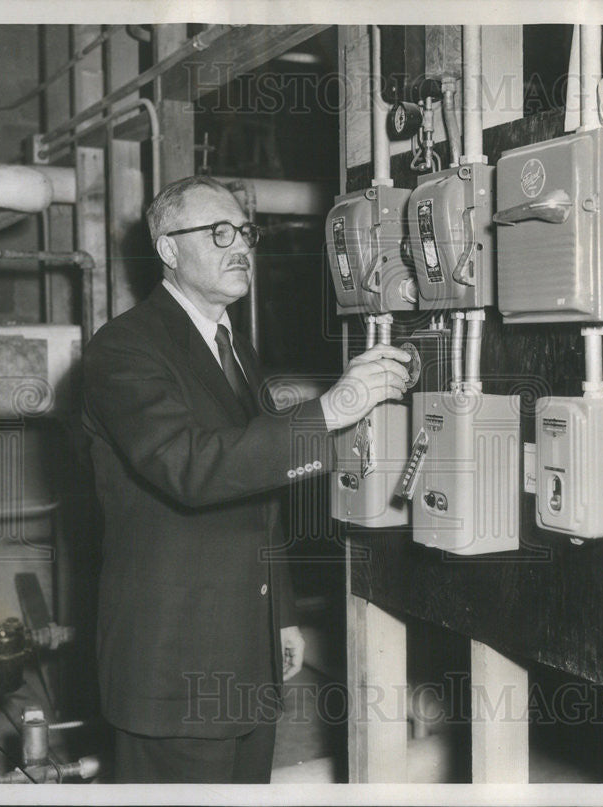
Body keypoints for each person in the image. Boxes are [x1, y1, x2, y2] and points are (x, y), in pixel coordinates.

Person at [81, 175, 409, 783]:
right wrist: (331, 411)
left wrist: (279, 613)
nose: (241, 248)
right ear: (168, 250)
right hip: (174, 673)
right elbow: (192, 468)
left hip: (244, 654)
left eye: (245, 233)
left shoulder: (233, 347)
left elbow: (258, 489)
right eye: (218, 232)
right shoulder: (122, 349)